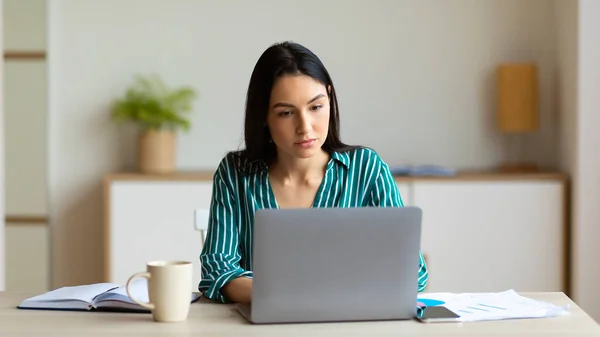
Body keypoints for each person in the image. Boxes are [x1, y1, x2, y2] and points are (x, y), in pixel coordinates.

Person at [198, 41, 428, 304]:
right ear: (263, 115)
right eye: (286, 113)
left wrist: (310, 296)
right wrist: (283, 298)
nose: (305, 127)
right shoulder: (235, 174)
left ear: (329, 98)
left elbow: (413, 271)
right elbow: (217, 271)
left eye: (316, 107)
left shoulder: (366, 169)